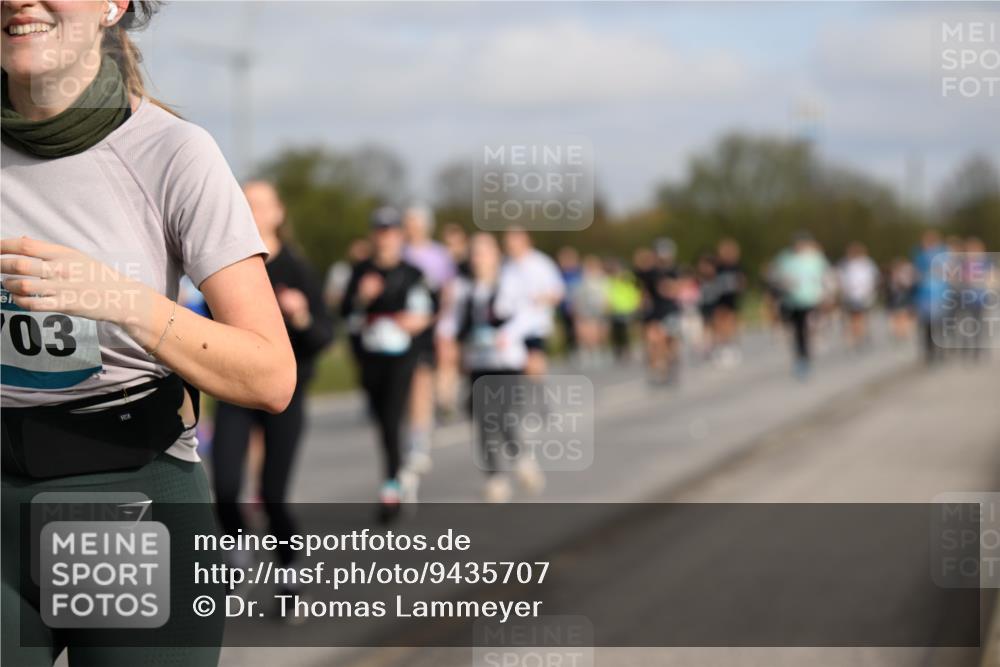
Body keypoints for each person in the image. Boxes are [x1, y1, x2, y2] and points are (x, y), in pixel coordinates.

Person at [1, 2, 295, 665]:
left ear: (114, 6)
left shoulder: (171, 152)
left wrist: (119, 299)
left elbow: (270, 373)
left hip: (128, 495)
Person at [211, 182, 333, 613]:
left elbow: (323, 338)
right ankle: (237, 552)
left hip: (284, 392)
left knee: (273, 494)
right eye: (244, 203)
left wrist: (299, 316)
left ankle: (289, 573)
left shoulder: (297, 269)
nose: (252, 211)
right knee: (224, 486)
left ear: (279, 213)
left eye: (261, 204)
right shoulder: (228, 265)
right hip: (235, 389)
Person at [342, 207, 432, 522]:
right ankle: (399, 468)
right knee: (382, 421)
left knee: (392, 419)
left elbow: (425, 313)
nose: (385, 238)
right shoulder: (360, 271)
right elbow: (346, 314)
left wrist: (413, 323)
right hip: (371, 356)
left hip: (402, 356)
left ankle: (391, 488)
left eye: (391, 231)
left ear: (400, 236)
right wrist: (362, 300)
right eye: (380, 231)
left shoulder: (412, 273)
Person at [438, 233, 539, 502]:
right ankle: (495, 477)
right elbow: (451, 322)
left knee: (503, 415)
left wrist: (508, 334)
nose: (478, 258)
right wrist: (445, 337)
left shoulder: (511, 283)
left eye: (483, 252)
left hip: (506, 361)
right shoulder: (463, 288)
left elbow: (528, 316)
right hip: (478, 361)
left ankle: (520, 455)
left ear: (495, 255)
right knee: (483, 419)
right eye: (474, 253)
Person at [401, 203, 455, 474]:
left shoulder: (438, 254)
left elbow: (447, 290)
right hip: (405, 327)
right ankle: (417, 432)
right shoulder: (401, 251)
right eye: (408, 222)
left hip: (434, 324)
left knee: (430, 373)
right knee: (413, 383)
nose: (412, 227)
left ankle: (441, 405)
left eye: (416, 222)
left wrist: (440, 322)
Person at [501, 227, 565, 377]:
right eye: (509, 241)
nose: (511, 244)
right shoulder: (505, 266)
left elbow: (558, 292)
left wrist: (540, 299)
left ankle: (538, 396)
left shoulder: (541, 263)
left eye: (515, 240)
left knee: (534, 366)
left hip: (535, 325)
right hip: (510, 324)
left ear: (526, 240)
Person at [774, 233, 831, 379]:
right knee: (798, 331)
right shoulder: (785, 258)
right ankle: (802, 356)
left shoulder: (816, 258)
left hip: (812, 300)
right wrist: (783, 285)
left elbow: (826, 277)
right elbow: (777, 276)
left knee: (811, 328)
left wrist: (826, 296)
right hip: (793, 301)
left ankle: (809, 351)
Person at [634, 239, 681, 385]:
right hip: (654, 311)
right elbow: (642, 288)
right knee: (654, 340)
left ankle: (670, 365)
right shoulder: (649, 272)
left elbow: (675, 289)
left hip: (670, 310)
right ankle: (657, 368)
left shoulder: (674, 271)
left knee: (669, 341)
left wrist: (669, 287)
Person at [837, 242, 880, 350]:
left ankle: (859, 336)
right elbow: (840, 278)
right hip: (850, 295)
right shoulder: (844, 264)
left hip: (863, 295)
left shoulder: (867, 264)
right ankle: (857, 336)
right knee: (854, 317)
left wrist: (870, 290)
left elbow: (873, 278)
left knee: (859, 316)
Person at [711, 238, 746, 366]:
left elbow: (741, 281)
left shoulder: (736, 267)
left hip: (731, 298)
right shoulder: (718, 267)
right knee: (719, 323)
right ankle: (721, 346)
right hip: (720, 298)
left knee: (730, 323)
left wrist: (740, 290)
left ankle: (730, 346)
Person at [570, 255, 609, 368]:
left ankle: (596, 351)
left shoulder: (601, 278)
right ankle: (586, 352)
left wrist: (605, 304)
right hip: (584, 307)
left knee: (596, 331)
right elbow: (577, 294)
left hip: (597, 308)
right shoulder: (582, 278)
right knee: (584, 331)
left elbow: (605, 293)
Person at [604, 259, 641, 361]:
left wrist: (636, 302)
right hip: (615, 309)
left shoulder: (628, 277)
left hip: (628, 308)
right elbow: (608, 292)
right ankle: (618, 350)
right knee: (616, 331)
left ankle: (628, 349)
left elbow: (635, 290)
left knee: (627, 331)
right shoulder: (611, 278)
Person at [556, 246, 583, 355]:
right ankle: (571, 349)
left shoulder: (579, 272)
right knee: (567, 328)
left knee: (579, 328)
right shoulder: (559, 273)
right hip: (565, 306)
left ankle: (581, 347)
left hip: (579, 306)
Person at [886, 257, 917, 343]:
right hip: (894, 301)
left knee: (904, 316)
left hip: (904, 300)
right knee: (896, 318)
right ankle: (898, 335)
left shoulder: (907, 275)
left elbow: (909, 287)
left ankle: (904, 335)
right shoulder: (891, 277)